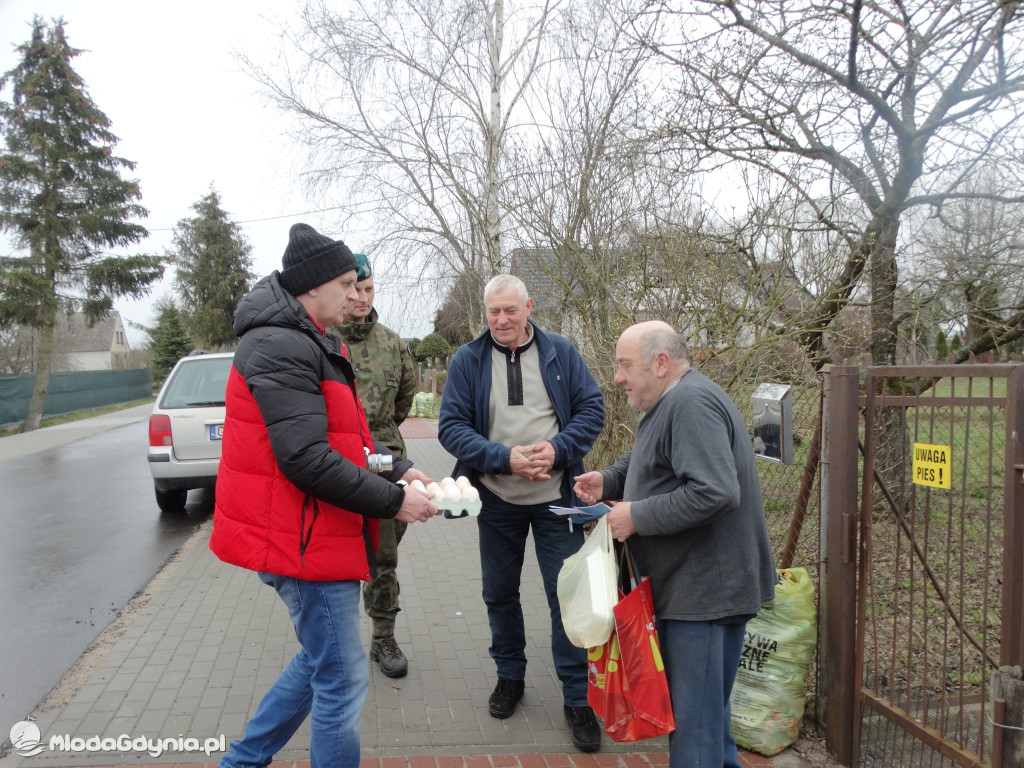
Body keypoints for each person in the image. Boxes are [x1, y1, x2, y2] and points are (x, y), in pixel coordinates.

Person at [210, 223, 437, 768]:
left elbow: (346, 440)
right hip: (304, 542)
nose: (355, 294)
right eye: (344, 283)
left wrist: (398, 467)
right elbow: (306, 459)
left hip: (316, 533)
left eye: (361, 285)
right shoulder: (280, 344)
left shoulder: (312, 338)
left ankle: (242, 761)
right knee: (341, 678)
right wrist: (391, 500)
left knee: (322, 662)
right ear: (312, 287)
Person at [573, 320, 776, 768]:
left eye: (625, 365)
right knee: (707, 723)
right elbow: (652, 457)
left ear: (660, 363)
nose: (618, 377)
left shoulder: (690, 404)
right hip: (696, 591)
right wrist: (608, 479)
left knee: (694, 734)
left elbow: (716, 491)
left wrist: (636, 516)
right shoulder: (672, 400)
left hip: (704, 597)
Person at [437, 274, 606, 753]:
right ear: (484, 313)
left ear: (529, 306)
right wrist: (503, 458)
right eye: (493, 312)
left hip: (556, 500)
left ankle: (578, 699)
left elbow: (592, 410)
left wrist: (555, 451)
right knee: (499, 594)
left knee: (568, 598)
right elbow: (450, 426)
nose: (502, 320)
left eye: (511, 310)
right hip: (496, 499)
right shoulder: (467, 360)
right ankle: (509, 677)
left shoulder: (561, 353)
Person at [329, 252, 418, 678]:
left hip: (386, 462)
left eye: (369, 289)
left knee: (383, 554)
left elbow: (404, 399)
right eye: (355, 289)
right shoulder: (324, 340)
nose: (362, 298)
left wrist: (381, 440)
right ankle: (334, 641)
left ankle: (383, 636)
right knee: (336, 553)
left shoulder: (392, 342)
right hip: (333, 461)